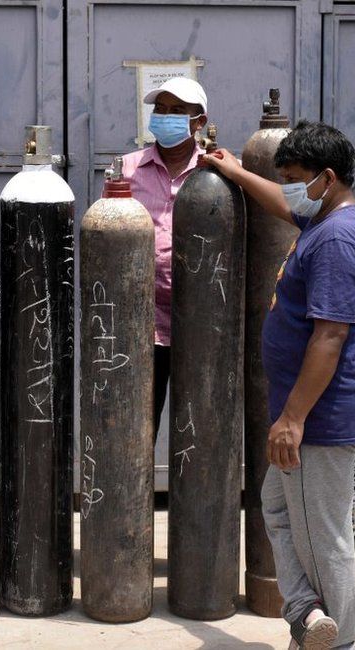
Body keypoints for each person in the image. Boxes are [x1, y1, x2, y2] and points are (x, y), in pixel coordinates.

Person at [203, 121, 355, 650]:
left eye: (296, 178)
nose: (288, 187)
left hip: (320, 414)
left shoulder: (339, 241)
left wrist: (293, 419)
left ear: (327, 178)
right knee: (278, 509)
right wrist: (235, 171)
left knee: (324, 540)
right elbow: (284, 206)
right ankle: (308, 617)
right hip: (315, 408)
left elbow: (329, 336)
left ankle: (336, 641)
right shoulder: (331, 214)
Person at [121, 77, 209, 435]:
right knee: (137, 429)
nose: (165, 117)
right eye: (160, 110)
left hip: (202, 326)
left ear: (199, 121)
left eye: (177, 111)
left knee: (198, 433)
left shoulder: (216, 171)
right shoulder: (127, 169)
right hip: (143, 326)